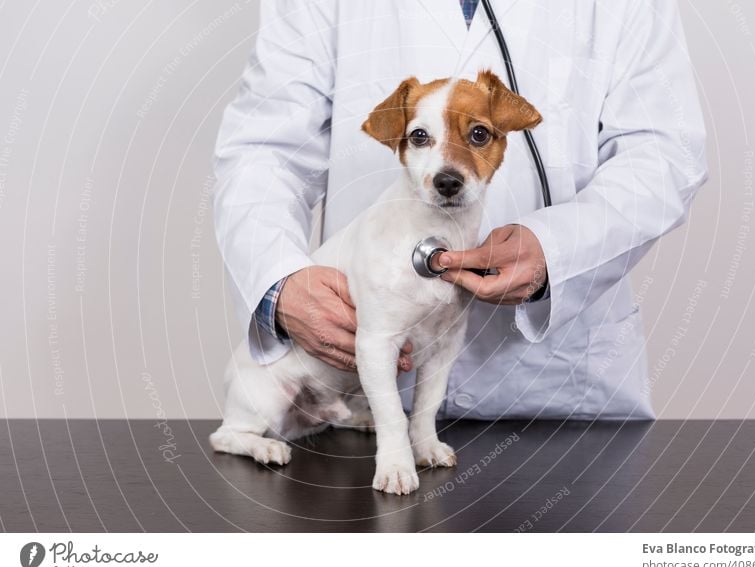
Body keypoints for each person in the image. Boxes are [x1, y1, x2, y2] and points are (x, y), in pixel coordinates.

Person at [213, 0, 708, 420]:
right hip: (356, 396)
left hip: (559, 390)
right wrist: (279, 283)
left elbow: (664, 151)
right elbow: (265, 149)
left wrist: (559, 248)